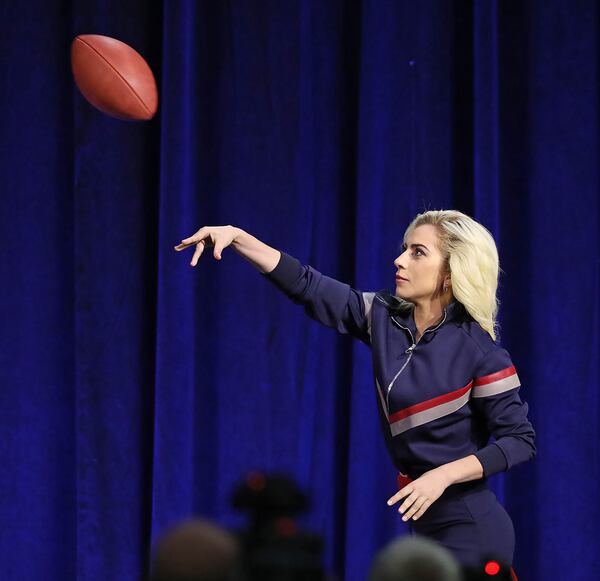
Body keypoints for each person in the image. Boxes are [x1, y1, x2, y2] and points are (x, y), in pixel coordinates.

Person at [173, 209, 536, 569]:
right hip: (425, 527)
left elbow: (520, 440)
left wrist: (442, 475)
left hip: (471, 529)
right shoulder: (383, 317)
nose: (399, 259)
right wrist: (238, 238)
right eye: (404, 248)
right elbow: (307, 285)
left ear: (450, 272)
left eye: (418, 252)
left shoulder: (480, 352)